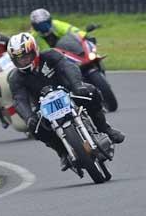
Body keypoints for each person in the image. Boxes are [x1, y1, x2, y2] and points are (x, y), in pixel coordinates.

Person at [7, 33, 124, 170]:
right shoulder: (15, 78)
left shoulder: (50, 55)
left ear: (35, 51)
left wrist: (77, 85)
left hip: (69, 92)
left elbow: (68, 66)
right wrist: (29, 117)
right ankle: (62, 153)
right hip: (43, 107)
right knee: (35, 127)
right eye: (20, 59)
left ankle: (105, 129)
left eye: (26, 56)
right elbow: (19, 99)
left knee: (91, 92)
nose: (24, 61)